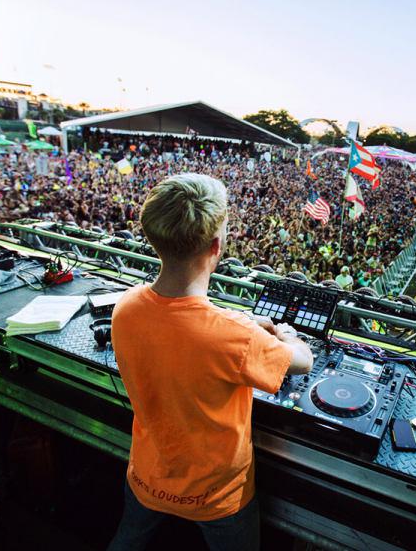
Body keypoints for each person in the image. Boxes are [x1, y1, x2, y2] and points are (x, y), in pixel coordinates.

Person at [108, 173, 314, 551]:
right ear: (216, 246)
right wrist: (285, 333)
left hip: (147, 478)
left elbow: (182, 324)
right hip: (216, 497)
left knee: (128, 541)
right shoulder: (235, 335)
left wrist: (237, 323)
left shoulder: (125, 306)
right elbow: (303, 361)